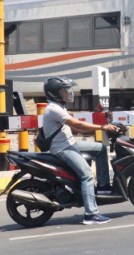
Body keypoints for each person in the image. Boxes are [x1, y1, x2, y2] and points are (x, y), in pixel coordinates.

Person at [41, 76, 117, 225]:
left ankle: (102, 186)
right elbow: (79, 126)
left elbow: (75, 127)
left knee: (101, 149)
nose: (69, 93)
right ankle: (91, 214)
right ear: (55, 93)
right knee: (87, 174)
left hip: (70, 143)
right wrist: (102, 128)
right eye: (65, 91)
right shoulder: (53, 109)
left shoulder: (59, 107)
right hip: (62, 148)